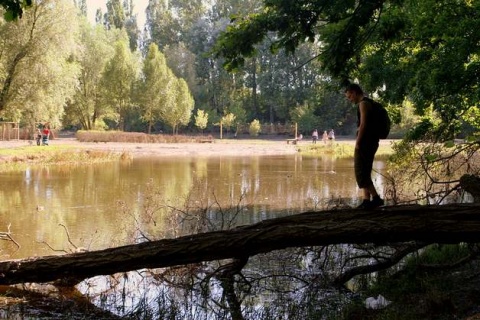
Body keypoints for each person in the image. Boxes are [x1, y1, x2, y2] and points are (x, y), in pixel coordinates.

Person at [345, 83, 384, 209]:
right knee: (365, 171)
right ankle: (367, 200)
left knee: (360, 172)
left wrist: (358, 142)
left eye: (349, 96)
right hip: (371, 141)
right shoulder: (369, 102)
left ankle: (376, 199)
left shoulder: (363, 104)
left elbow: (363, 124)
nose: (349, 99)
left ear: (354, 92)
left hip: (366, 142)